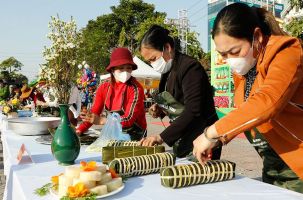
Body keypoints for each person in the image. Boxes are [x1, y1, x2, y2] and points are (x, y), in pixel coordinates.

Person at [192, 3, 303, 193]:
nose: (229, 60)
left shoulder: (287, 51)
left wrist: (212, 133)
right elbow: (246, 111)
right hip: (272, 166)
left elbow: (267, 103)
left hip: (297, 167)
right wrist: (218, 139)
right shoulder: (244, 70)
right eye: (223, 55)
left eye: (234, 52)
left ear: (257, 37)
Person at [139, 25, 221, 159]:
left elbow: (193, 110)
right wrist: (160, 108)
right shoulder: (167, 71)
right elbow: (176, 101)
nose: (152, 64)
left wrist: (161, 137)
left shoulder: (190, 68)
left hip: (202, 135)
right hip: (184, 135)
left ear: (167, 47)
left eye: (153, 59)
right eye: (149, 61)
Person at [76, 47, 147, 140]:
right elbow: (94, 113)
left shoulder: (136, 88)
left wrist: (102, 120)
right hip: (114, 132)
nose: (125, 72)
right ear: (112, 70)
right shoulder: (104, 86)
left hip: (135, 134)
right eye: (121, 68)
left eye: (129, 68)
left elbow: (128, 120)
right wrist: (80, 129)